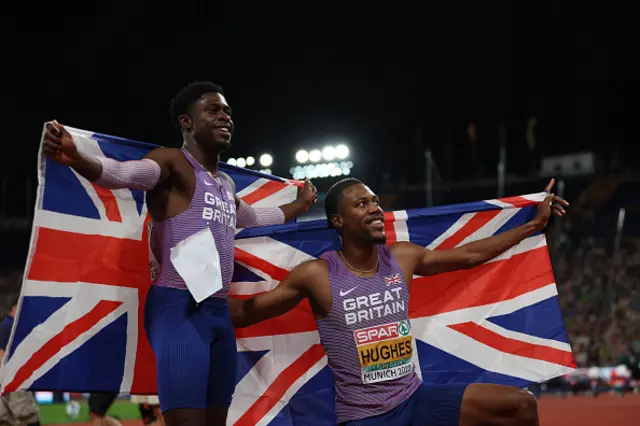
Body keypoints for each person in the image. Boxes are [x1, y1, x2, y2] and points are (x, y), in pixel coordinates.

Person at [42, 81, 317, 426]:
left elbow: (257, 217)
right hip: (178, 309)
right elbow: (125, 175)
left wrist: (300, 205)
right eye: (214, 110)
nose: (225, 117)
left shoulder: (224, 185)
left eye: (228, 112)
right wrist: (79, 158)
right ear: (186, 122)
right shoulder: (172, 164)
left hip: (218, 314)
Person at [230, 177, 569, 426]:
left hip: (415, 400)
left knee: (521, 406)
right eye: (362, 204)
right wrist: (195, 300)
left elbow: (468, 256)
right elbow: (249, 312)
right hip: (365, 417)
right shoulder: (317, 275)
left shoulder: (402, 258)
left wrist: (533, 226)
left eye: (376, 201)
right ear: (338, 221)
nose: (375, 209)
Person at [0, 295, 42, 426]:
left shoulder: (9, 325)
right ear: (13, 308)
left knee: (6, 417)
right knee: (27, 415)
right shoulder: (8, 326)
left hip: (7, 377)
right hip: (11, 377)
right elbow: (1, 353)